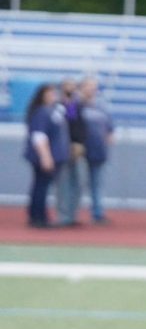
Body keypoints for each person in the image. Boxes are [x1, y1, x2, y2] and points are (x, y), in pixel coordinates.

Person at [23, 83, 70, 228]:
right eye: (49, 94)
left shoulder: (54, 110)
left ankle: (37, 214)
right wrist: (45, 156)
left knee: (42, 185)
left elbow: (71, 112)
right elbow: (39, 136)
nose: (53, 96)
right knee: (41, 186)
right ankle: (39, 216)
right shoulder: (42, 112)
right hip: (45, 156)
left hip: (54, 154)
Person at [78, 76, 115, 224]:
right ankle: (70, 214)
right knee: (77, 183)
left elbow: (109, 128)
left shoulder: (102, 106)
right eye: (88, 86)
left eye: (94, 87)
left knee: (97, 183)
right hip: (80, 151)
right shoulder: (76, 105)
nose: (91, 90)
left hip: (98, 151)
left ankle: (97, 213)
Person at [55, 76, 84, 226]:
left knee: (78, 183)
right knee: (63, 183)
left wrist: (80, 144)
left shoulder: (78, 106)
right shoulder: (57, 106)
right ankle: (63, 215)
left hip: (76, 149)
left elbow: (79, 126)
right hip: (62, 149)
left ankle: (72, 214)